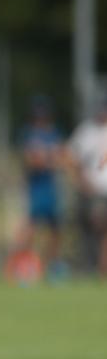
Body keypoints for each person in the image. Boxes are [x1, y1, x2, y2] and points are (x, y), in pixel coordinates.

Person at [7, 96, 65, 280]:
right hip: (34, 189)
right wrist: (48, 158)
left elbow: (62, 158)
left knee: (55, 231)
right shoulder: (28, 134)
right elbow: (32, 161)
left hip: (50, 188)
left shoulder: (54, 133)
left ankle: (50, 268)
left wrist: (47, 158)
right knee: (29, 230)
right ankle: (20, 265)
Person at [68, 98, 107, 275]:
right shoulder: (87, 131)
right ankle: (97, 267)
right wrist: (81, 182)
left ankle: (100, 268)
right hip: (94, 191)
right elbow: (71, 159)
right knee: (95, 228)